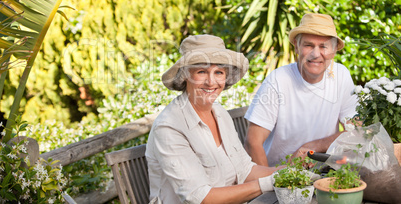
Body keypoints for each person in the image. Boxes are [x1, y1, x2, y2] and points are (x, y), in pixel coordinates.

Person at [146, 34, 282, 204]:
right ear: (185, 75)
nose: (211, 82)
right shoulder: (169, 127)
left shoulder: (220, 113)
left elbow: (245, 170)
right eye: (201, 72)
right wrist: (268, 183)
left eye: (218, 72)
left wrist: (288, 171)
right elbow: (201, 197)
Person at [244, 13, 358, 167]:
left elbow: (355, 132)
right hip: (278, 174)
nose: (316, 54)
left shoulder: (341, 75)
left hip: (322, 171)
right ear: (297, 46)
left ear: (334, 50)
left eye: (323, 46)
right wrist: (272, 182)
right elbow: (253, 142)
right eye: (308, 45)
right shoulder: (278, 80)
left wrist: (313, 146)